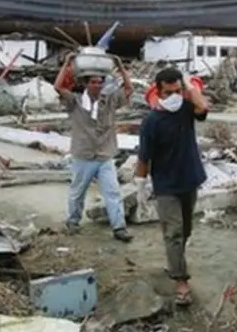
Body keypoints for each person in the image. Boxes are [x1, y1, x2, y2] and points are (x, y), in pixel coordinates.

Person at [135, 67, 210, 306]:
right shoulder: (151, 122)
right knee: (174, 233)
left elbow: (203, 107)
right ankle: (181, 282)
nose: (175, 96)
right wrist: (141, 185)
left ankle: (175, 262)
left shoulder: (186, 111)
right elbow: (144, 158)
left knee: (185, 231)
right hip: (166, 186)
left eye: (178, 90)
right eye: (169, 92)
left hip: (190, 180)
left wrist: (189, 85)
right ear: (159, 92)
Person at [54, 51, 133, 242]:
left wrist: (120, 66)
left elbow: (129, 90)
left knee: (113, 192)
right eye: (93, 82)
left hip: (105, 156)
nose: (97, 85)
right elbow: (58, 87)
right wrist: (67, 63)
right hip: (83, 156)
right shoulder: (75, 102)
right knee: (77, 192)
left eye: (100, 82)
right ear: (86, 84)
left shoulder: (110, 101)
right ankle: (73, 222)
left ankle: (119, 227)